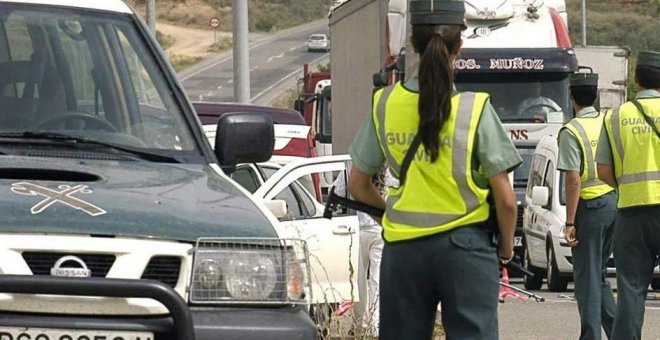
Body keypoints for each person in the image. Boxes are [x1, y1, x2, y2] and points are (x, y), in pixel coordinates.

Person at [346, 0, 521, 338]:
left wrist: (391, 213)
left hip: (404, 251)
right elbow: (507, 201)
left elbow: (358, 183)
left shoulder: (384, 102)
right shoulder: (475, 109)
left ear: (412, 42)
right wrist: (506, 248)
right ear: (460, 44)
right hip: (466, 249)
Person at [596, 50, 660, 340]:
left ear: (636, 80)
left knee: (632, 289)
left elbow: (603, 171)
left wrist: (628, 187)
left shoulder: (615, 116)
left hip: (632, 212)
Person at [557, 70, 616, 340]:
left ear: (571, 98)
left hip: (590, 209)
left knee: (587, 279)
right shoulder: (607, 122)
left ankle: (590, 336)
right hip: (614, 203)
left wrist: (569, 222)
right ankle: (619, 333)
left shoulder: (571, 131)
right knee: (600, 274)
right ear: (596, 96)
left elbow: (572, 179)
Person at [331, 167, 397, 337]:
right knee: (377, 280)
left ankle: (362, 325)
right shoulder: (388, 172)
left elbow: (336, 191)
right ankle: (375, 326)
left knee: (359, 281)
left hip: (358, 229)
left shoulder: (351, 170)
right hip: (380, 229)